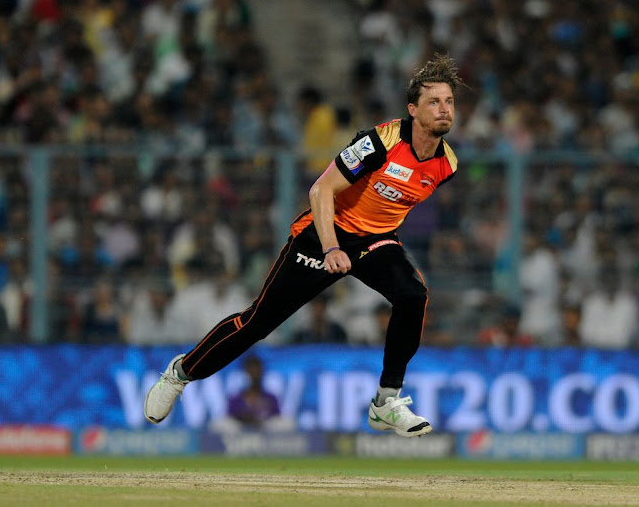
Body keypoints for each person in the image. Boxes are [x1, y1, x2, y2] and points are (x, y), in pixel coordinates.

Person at [144, 54, 462, 438]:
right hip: (324, 233)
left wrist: (373, 243)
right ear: (413, 110)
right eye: (434, 102)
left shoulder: (447, 164)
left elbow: (391, 203)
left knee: (413, 295)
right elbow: (321, 189)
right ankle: (179, 374)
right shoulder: (379, 142)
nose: (444, 110)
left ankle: (386, 402)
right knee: (258, 322)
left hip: (376, 240)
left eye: (449, 102)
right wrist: (331, 248)